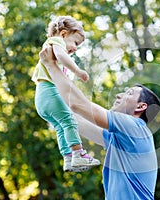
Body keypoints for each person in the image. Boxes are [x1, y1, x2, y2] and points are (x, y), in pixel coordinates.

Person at [39, 46, 160, 199]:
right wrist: (46, 89)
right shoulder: (119, 139)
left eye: (129, 93)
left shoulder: (134, 127)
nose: (118, 95)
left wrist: (51, 65)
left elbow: (78, 104)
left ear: (140, 107)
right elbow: (75, 120)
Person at [31, 16, 100, 172]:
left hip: (41, 99)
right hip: (49, 91)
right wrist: (78, 71)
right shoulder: (56, 41)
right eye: (75, 42)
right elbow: (62, 56)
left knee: (61, 126)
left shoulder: (53, 45)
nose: (75, 48)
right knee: (69, 121)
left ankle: (68, 158)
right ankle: (78, 153)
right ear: (63, 34)